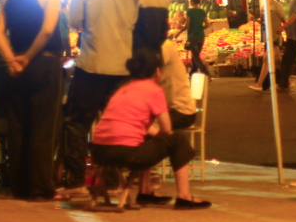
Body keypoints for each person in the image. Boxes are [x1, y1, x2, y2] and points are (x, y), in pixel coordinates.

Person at [63, 0, 139, 198]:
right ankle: (113, 182)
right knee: (114, 124)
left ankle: (76, 183)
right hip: (122, 66)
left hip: (93, 64)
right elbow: (133, 22)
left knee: (77, 124)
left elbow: (74, 20)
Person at [90, 48, 210, 210]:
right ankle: (184, 196)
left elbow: (136, 125)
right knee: (178, 139)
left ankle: (145, 192)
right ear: (158, 72)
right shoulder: (153, 90)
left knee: (149, 137)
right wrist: (162, 139)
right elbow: (167, 129)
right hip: (127, 155)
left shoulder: (123, 89)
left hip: (99, 153)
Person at [0, 0, 64, 201]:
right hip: (43, 63)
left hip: (16, 68)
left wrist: (12, 59)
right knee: (44, 127)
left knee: (18, 126)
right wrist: (27, 58)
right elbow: (47, 31)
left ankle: (18, 187)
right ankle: (40, 188)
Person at [135, 38, 197, 205]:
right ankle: (150, 189)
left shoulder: (164, 46)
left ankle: (149, 185)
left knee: (154, 132)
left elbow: (149, 69)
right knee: (166, 137)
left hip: (180, 109)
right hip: (160, 111)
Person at [248, 0, 286, 92]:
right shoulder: (264, 7)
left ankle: (259, 84)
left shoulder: (277, 6)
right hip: (267, 36)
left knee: (266, 60)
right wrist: (255, 20)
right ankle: (288, 81)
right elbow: (264, 22)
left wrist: (284, 29)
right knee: (277, 61)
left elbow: (283, 20)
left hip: (275, 36)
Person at [176, 0, 210, 77]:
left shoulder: (190, 11)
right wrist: (201, 28)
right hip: (201, 36)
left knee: (195, 57)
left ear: (192, 1)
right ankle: (193, 73)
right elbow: (208, 24)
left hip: (193, 37)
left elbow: (187, 25)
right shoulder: (202, 12)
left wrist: (179, 32)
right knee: (195, 55)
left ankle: (206, 73)